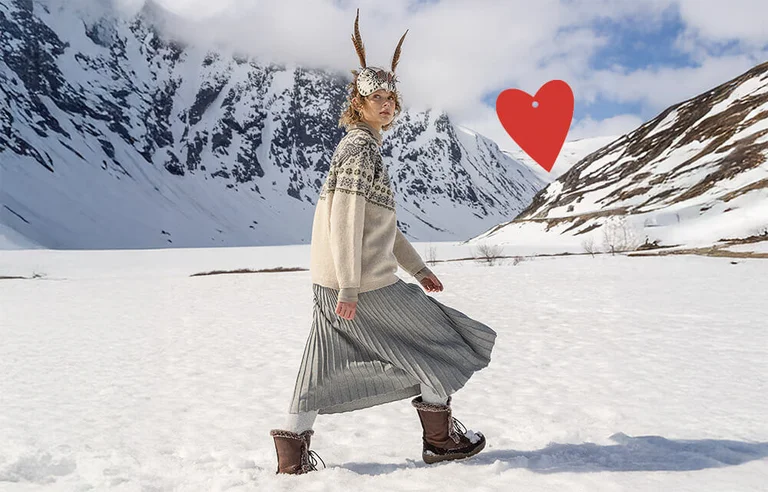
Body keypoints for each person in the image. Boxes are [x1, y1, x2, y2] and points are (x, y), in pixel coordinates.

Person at [269, 9, 497, 474]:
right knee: (451, 341)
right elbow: (347, 222)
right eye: (378, 98)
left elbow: (381, 228)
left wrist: (418, 269)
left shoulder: (359, 145)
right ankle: (441, 439)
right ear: (359, 102)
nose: (388, 105)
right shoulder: (358, 148)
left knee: (320, 363)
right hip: (362, 287)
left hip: (331, 282)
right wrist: (351, 288)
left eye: (393, 98)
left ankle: (291, 460)